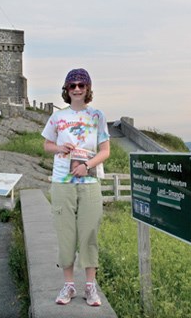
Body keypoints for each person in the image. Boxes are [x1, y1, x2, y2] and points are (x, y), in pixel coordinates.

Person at [41, 68, 111, 307]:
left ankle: (90, 286)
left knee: (90, 232)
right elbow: (46, 145)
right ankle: (69, 285)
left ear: (88, 89)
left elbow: (105, 151)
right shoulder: (57, 118)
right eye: (73, 85)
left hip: (89, 182)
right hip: (62, 182)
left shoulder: (97, 116)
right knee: (65, 233)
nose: (77, 89)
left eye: (82, 85)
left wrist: (87, 166)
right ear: (67, 90)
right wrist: (59, 149)